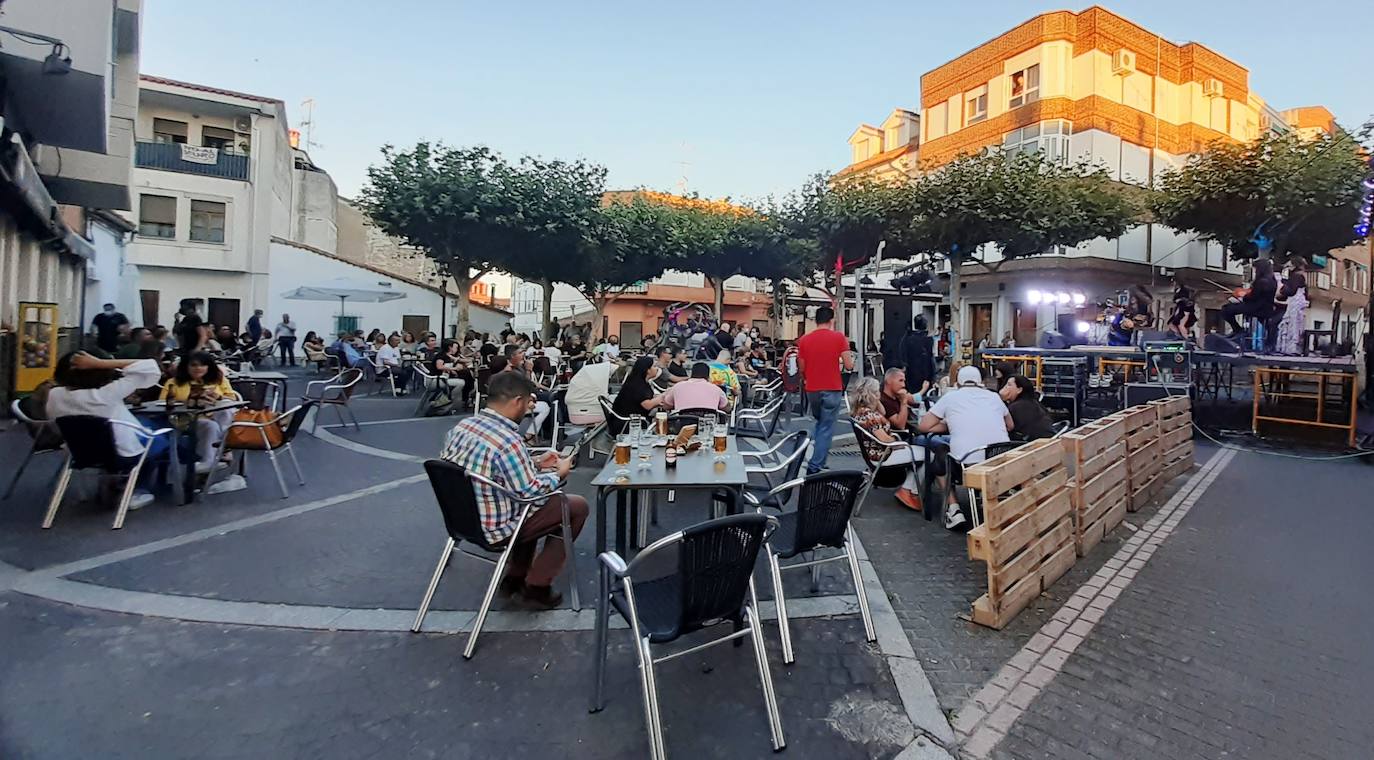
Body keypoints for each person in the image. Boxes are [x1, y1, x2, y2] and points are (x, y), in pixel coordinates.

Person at [439, 371, 587, 609]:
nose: (530, 408)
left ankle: (516, 575)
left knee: (530, 507)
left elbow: (489, 469)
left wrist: (537, 463)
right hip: (497, 527)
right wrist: (559, 473)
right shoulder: (508, 440)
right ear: (518, 401)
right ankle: (538, 584)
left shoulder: (463, 426)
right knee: (574, 506)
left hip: (463, 520)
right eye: (529, 402)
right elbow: (529, 491)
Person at [47, 352, 168, 510]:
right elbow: (151, 368)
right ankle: (139, 489)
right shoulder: (107, 394)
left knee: (144, 433)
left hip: (80, 454)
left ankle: (117, 482)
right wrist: (100, 362)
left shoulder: (55, 395)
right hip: (121, 456)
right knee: (160, 441)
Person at [918, 365, 1013, 529]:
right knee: (981, 453)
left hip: (965, 468)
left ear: (958, 382)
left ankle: (954, 509)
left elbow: (924, 426)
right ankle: (987, 500)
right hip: (998, 464)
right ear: (980, 382)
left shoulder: (950, 397)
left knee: (940, 458)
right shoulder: (994, 397)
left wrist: (950, 425)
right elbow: (1010, 425)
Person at [850, 376, 925, 511]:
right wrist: (898, 442)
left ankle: (909, 489)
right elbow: (884, 439)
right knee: (928, 455)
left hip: (878, 453)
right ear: (872, 394)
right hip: (884, 454)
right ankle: (909, 491)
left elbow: (883, 412)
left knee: (920, 451)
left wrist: (876, 401)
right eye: (877, 391)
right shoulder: (870, 416)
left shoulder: (862, 411)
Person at [161, 351, 240, 471]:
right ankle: (212, 458)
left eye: (203, 365)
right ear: (186, 366)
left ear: (209, 366)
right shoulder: (174, 382)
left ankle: (223, 447)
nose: (198, 368)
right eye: (193, 365)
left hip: (216, 416)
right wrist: (188, 403)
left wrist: (218, 397)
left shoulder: (218, 379)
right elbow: (162, 403)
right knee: (210, 426)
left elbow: (232, 399)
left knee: (226, 408)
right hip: (186, 419)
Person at [796, 306, 853, 474]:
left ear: (815, 321)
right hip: (832, 387)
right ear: (831, 320)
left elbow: (801, 366)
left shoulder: (805, 340)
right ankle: (815, 464)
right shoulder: (838, 337)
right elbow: (849, 364)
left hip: (812, 388)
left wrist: (806, 376)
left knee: (821, 424)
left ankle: (818, 458)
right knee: (826, 427)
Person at [1221, 258, 1279, 340]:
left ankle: (1238, 330)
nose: (1254, 271)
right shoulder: (1272, 280)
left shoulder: (1261, 281)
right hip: (1267, 308)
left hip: (1256, 307)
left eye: (1255, 269)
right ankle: (1270, 343)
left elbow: (1253, 297)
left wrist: (1242, 297)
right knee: (1267, 325)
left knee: (1226, 309)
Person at [1000, 375, 1055, 441]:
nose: (1005, 387)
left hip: (1030, 444)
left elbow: (1004, 427)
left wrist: (999, 398)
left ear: (1019, 390)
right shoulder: (1034, 403)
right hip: (1050, 440)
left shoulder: (1015, 407)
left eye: (1009, 385)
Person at [611, 355, 663, 424]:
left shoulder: (640, 381)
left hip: (634, 418)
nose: (656, 369)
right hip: (627, 422)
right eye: (654, 366)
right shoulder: (637, 385)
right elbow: (647, 405)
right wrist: (662, 397)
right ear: (648, 370)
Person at [662, 362, 730, 413]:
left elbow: (666, 406)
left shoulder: (677, 387)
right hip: (708, 426)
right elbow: (727, 408)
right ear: (708, 376)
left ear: (691, 374)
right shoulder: (716, 389)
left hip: (682, 427)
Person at [1274, 259, 1309, 355]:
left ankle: (1290, 348)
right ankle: (1293, 348)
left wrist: (1282, 287)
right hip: (1297, 303)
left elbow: (1291, 291)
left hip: (1294, 304)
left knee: (1292, 325)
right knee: (1295, 325)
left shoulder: (1296, 276)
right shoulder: (1300, 276)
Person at [899, 315, 936, 396]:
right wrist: (933, 376)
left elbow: (903, 353)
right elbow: (931, 358)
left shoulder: (908, 338)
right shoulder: (928, 340)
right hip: (924, 372)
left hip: (912, 372)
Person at [433, 339, 473, 408]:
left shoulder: (450, 356)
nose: (457, 350)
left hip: (446, 376)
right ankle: (455, 399)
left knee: (466, 374)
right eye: (455, 347)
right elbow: (439, 367)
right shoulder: (441, 356)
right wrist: (453, 369)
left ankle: (463, 398)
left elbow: (468, 361)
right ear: (450, 348)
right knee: (466, 377)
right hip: (438, 379)